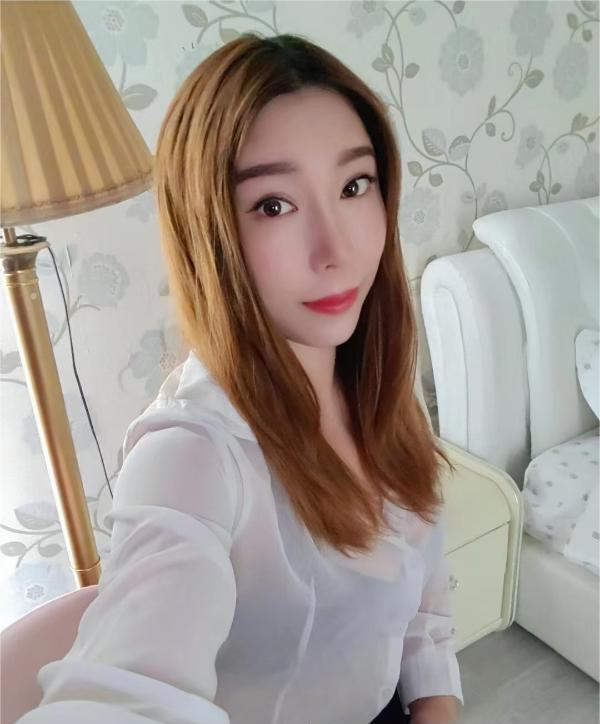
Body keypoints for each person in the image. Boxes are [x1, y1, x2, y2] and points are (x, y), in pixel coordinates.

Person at [17, 33, 464, 724]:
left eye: (354, 186)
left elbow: (423, 613)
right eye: (273, 205)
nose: (337, 251)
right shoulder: (192, 455)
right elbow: (122, 692)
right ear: (211, 232)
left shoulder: (387, 388)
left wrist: (437, 705)